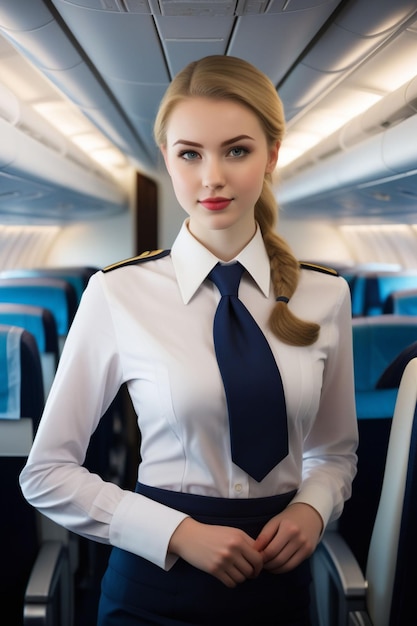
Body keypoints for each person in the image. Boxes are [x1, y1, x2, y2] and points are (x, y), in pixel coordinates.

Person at [20, 55, 358, 625]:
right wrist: (176, 532)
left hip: (281, 582)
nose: (212, 178)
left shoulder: (326, 296)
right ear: (167, 161)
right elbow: (47, 473)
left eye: (237, 150)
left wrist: (312, 510)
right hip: (157, 584)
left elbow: (335, 452)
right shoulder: (117, 293)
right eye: (189, 154)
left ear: (273, 155)